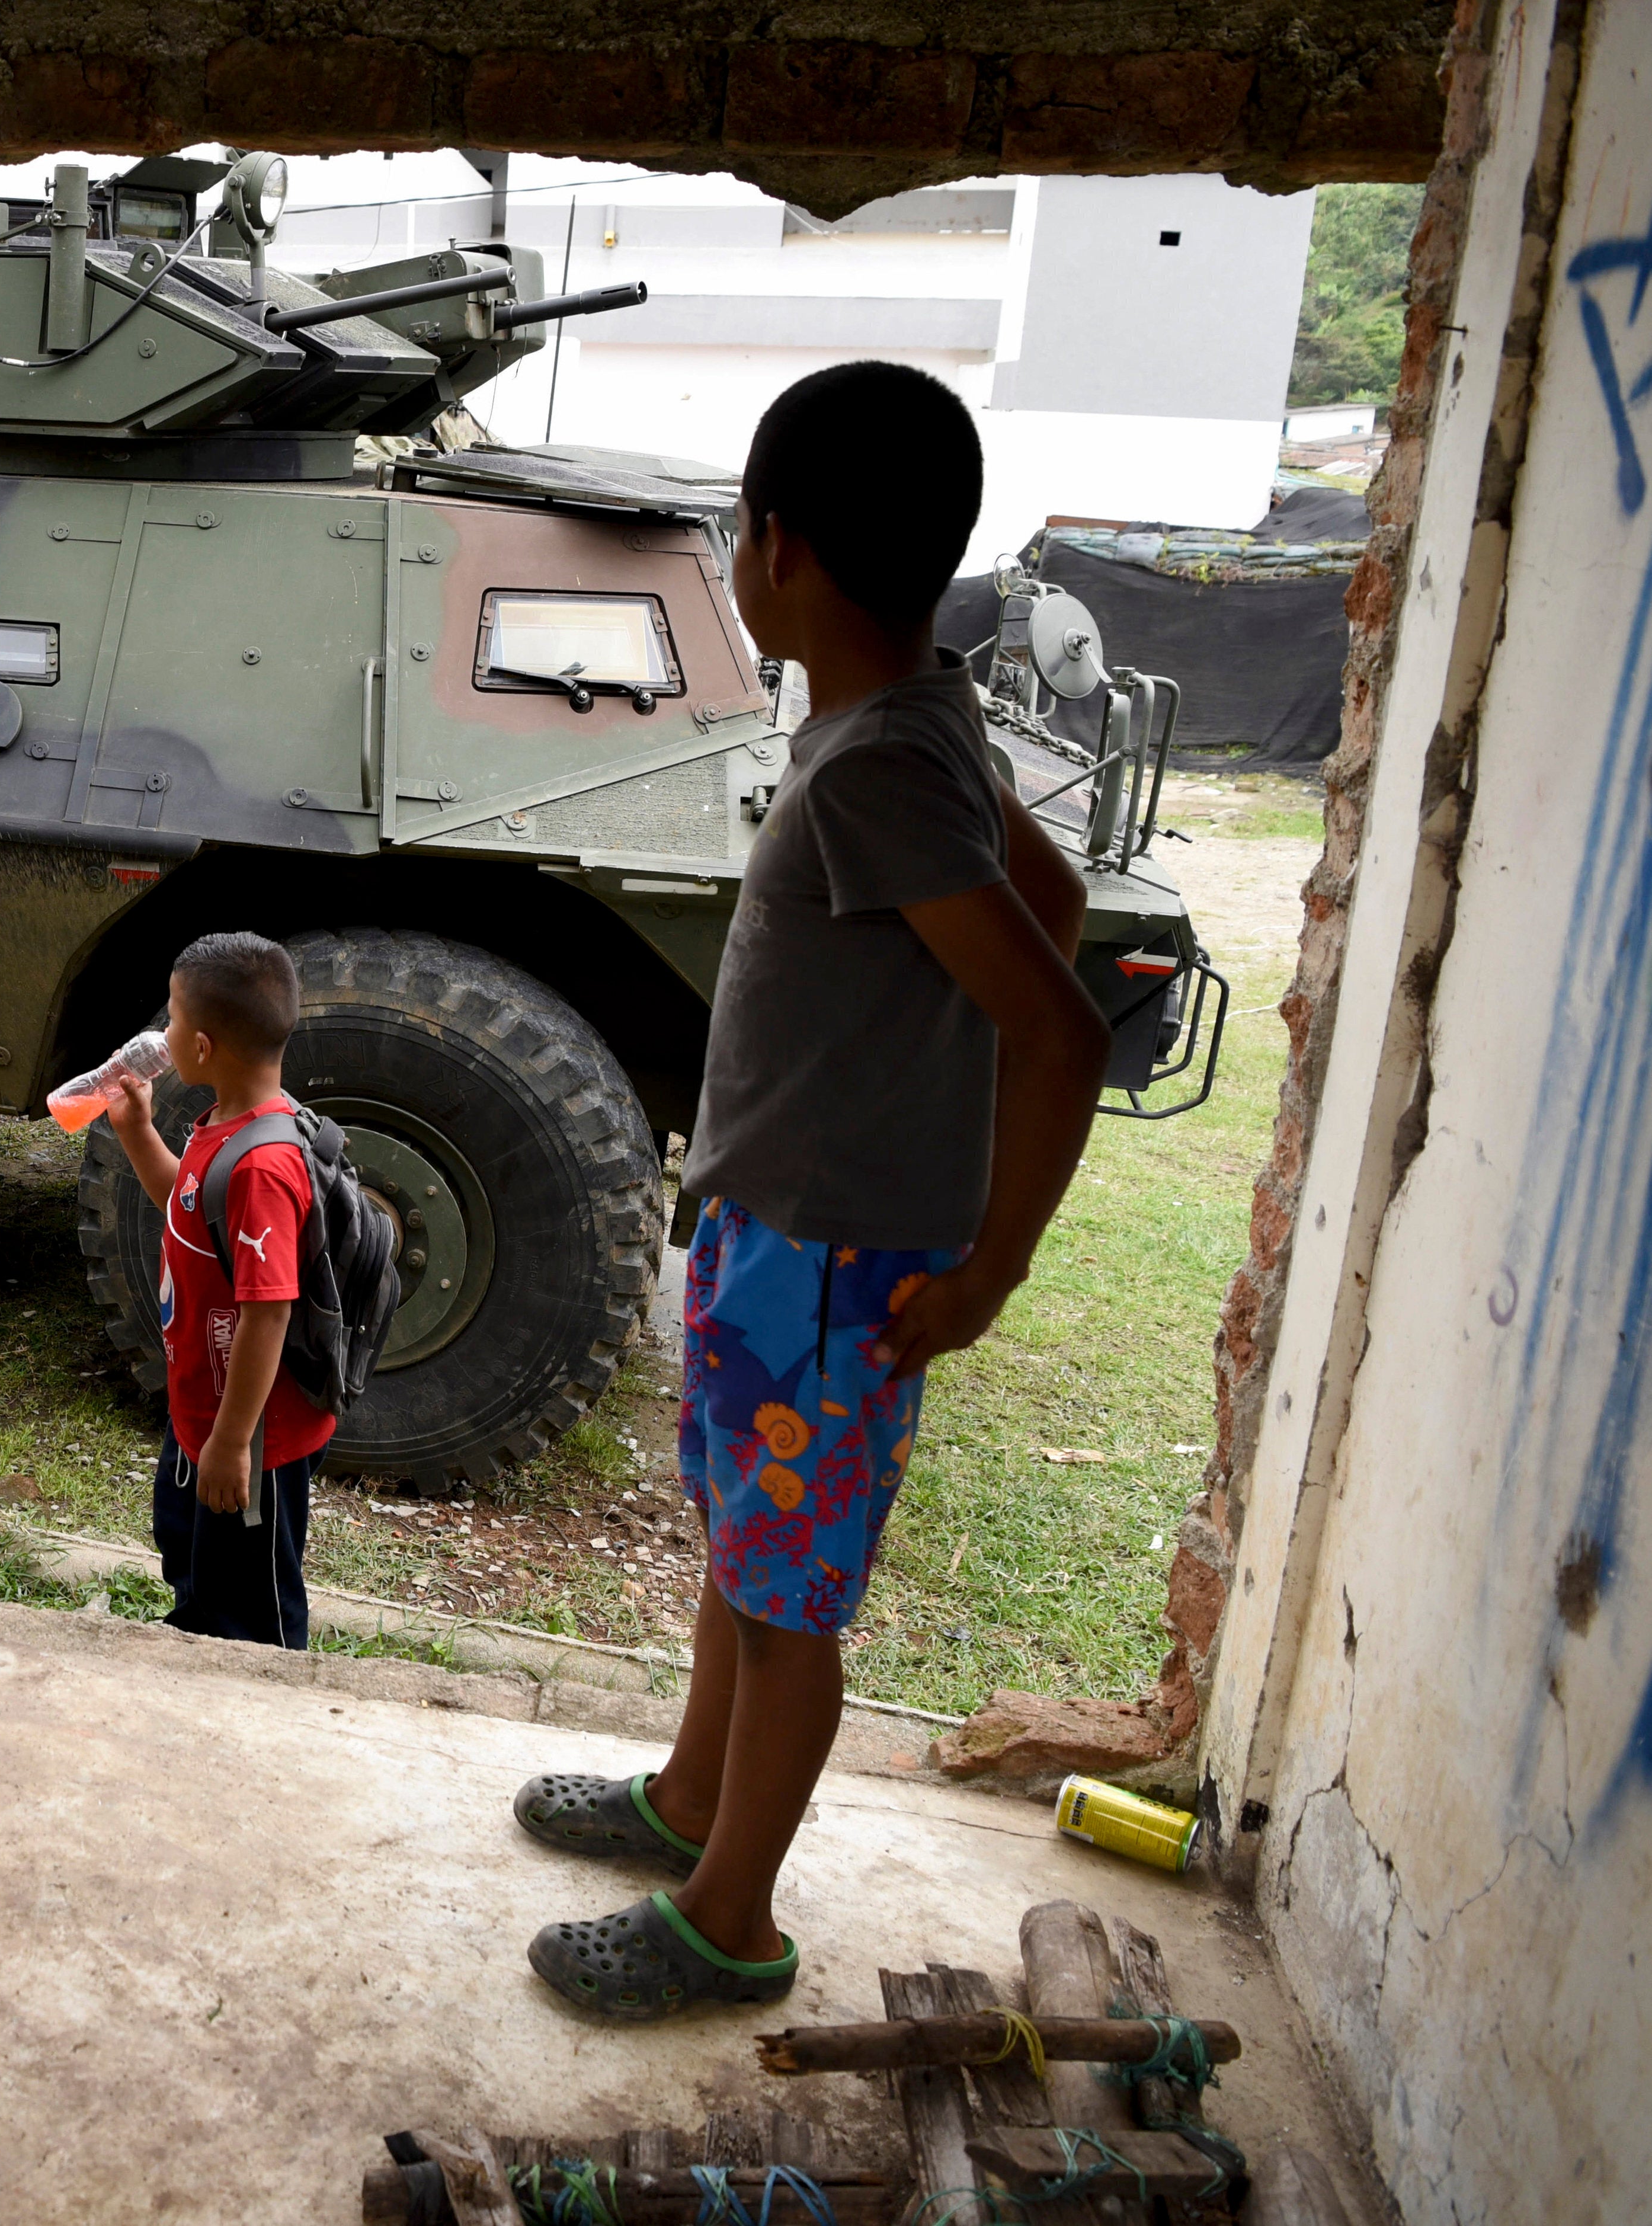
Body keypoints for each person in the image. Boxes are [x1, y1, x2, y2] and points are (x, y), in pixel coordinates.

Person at [513, 361, 1109, 2020]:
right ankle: (687, 1802)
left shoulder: (873, 764)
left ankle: (731, 1919)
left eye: (733, 532)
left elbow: (1056, 1029)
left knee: (789, 1610)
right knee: (743, 1553)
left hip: (842, 1273)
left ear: (779, 548)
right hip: (784, 1244)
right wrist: (899, 1044)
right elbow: (1044, 895)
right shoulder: (900, 723)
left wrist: (984, 1267)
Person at [102, 933, 328, 1648]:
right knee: (192, 1556)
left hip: (254, 1434)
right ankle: (195, 1638)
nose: (159, 1034)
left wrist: (233, 1444)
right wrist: (138, 1134)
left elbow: (269, 1312)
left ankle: (257, 1698)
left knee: (252, 1602)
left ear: (201, 1047)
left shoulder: (265, 1164)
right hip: (203, 1407)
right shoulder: (222, 1127)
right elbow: (191, 1206)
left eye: (168, 1018)